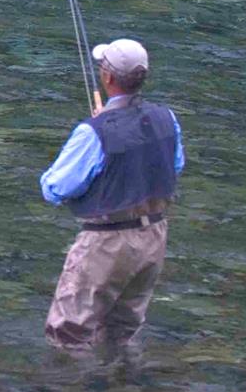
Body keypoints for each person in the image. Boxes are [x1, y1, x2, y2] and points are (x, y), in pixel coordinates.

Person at [38, 38, 184, 357]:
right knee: (122, 332)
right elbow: (175, 165)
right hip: (154, 237)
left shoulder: (93, 133)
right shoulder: (167, 118)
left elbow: (55, 189)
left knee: (69, 335)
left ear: (107, 77)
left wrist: (99, 127)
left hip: (106, 243)